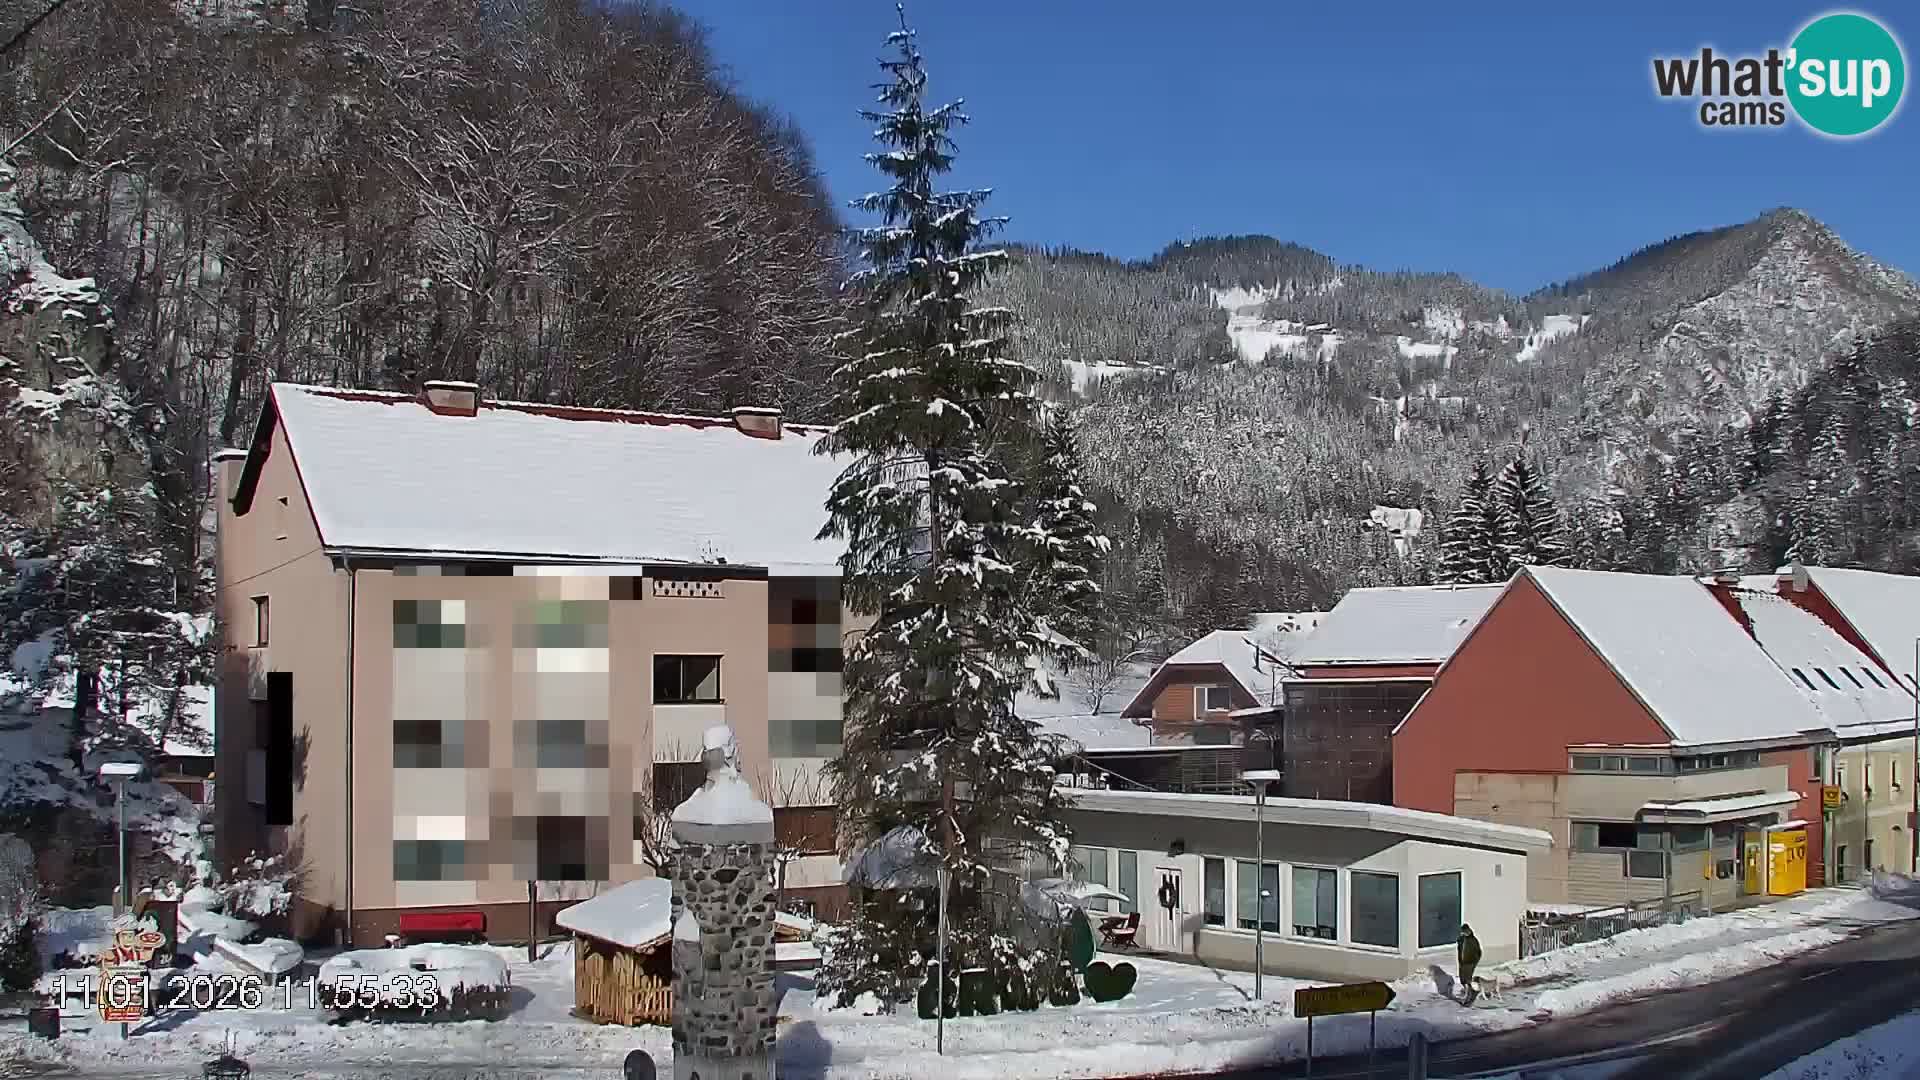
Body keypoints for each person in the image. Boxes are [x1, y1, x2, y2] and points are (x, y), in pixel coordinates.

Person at [1457, 923, 1483, 1004]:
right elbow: (1460, 950)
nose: (1463, 933)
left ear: (1468, 930)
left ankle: (1469, 998)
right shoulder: (1462, 939)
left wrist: (1474, 962)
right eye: (1462, 931)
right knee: (1462, 979)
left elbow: (1479, 952)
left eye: (1465, 931)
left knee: (1467, 979)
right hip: (1462, 962)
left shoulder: (1473, 940)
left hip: (1470, 963)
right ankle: (1467, 993)